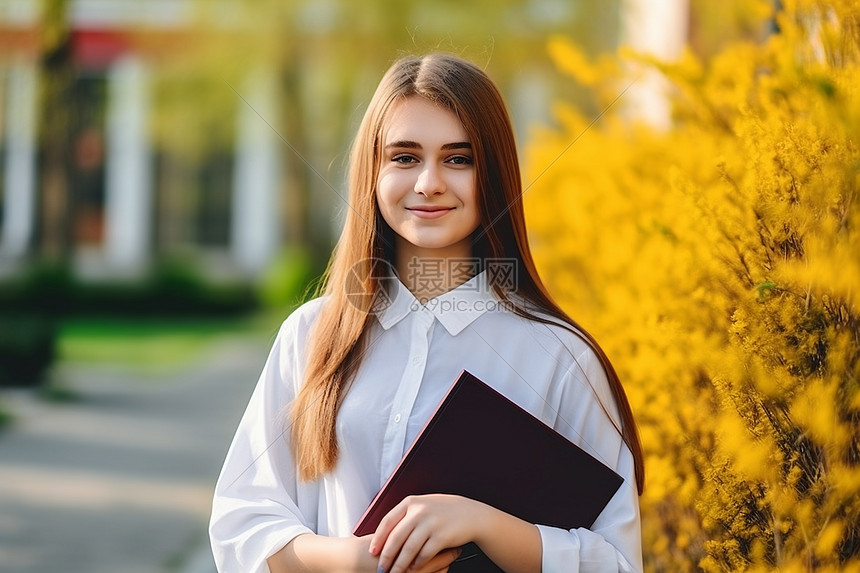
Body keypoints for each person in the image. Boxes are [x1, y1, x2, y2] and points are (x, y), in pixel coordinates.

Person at [209, 52, 645, 573]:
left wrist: (484, 524)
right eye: (405, 157)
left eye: (458, 159)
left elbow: (619, 562)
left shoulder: (560, 356)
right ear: (372, 173)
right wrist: (353, 561)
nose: (429, 183)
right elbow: (242, 521)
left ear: (495, 176)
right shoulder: (309, 335)